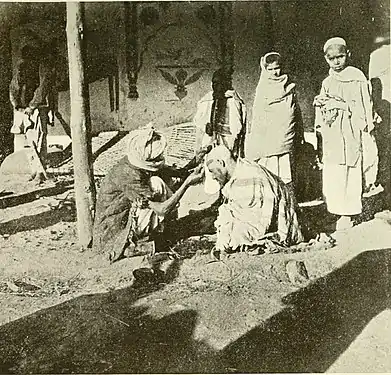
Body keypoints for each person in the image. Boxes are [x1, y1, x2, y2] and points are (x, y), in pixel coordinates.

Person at [92, 124, 205, 264]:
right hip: (114, 230)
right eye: (157, 157)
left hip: (125, 215)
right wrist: (187, 183)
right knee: (157, 183)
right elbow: (161, 209)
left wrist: (195, 160)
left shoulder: (137, 161)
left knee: (163, 180)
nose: (160, 158)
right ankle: (141, 241)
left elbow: (176, 172)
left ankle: (159, 231)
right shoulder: (129, 176)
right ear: (146, 158)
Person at [313, 37, 378, 230]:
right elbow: (323, 109)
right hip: (333, 133)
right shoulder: (327, 81)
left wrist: (342, 105)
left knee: (350, 170)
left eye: (340, 57)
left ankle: (348, 214)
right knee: (334, 171)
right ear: (326, 59)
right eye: (331, 58)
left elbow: (364, 108)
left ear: (347, 54)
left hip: (350, 131)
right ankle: (335, 210)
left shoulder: (357, 78)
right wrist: (321, 104)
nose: (336, 62)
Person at [204, 145, 304, 255]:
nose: (213, 177)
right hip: (253, 221)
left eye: (212, 171)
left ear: (221, 162)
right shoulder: (238, 174)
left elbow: (262, 219)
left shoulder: (252, 175)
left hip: (273, 225)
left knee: (234, 236)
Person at [245, 52, 304, 188]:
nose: (274, 72)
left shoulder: (289, 87)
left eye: (276, 68)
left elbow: (295, 112)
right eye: (270, 69)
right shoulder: (262, 89)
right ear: (264, 69)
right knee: (268, 174)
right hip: (267, 140)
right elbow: (258, 116)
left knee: (285, 174)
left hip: (285, 137)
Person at [193, 68, 247, 194]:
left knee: (227, 170)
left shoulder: (234, 100)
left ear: (226, 84)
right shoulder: (207, 99)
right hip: (211, 141)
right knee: (211, 171)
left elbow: (238, 127)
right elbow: (199, 120)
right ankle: (213, 197)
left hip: (228, 143)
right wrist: (206, 125)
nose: (215, 86)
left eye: (219, 83)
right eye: (213, 83)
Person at [9, 43, 55, 183]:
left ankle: (41, 172)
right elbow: (13, 88)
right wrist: (16, 104)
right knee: (28, 142)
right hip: (23, 110)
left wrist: (32, 106)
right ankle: (34, 170)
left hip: (37, 108)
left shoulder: (41, 68)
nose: (25, 60)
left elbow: (43, 88)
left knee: (40, 140)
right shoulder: (21, 69)